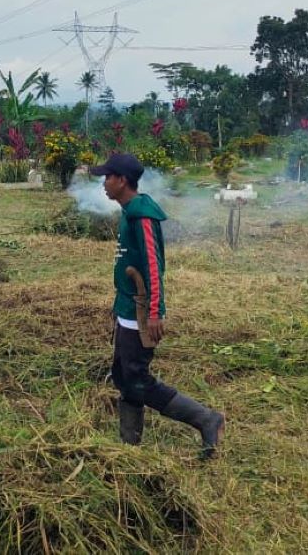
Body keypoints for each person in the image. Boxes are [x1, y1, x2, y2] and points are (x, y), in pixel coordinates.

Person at [91, 152, 226, 458]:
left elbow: (154, 265)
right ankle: (129, 447)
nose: (104, 183)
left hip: (140, 311)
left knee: (137, 379)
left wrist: (155, 311)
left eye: (108, 177)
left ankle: (206, 419)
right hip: (127, 308)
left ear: (122, 180)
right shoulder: (129, 211)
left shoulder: (142, 215)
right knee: (124, 376)